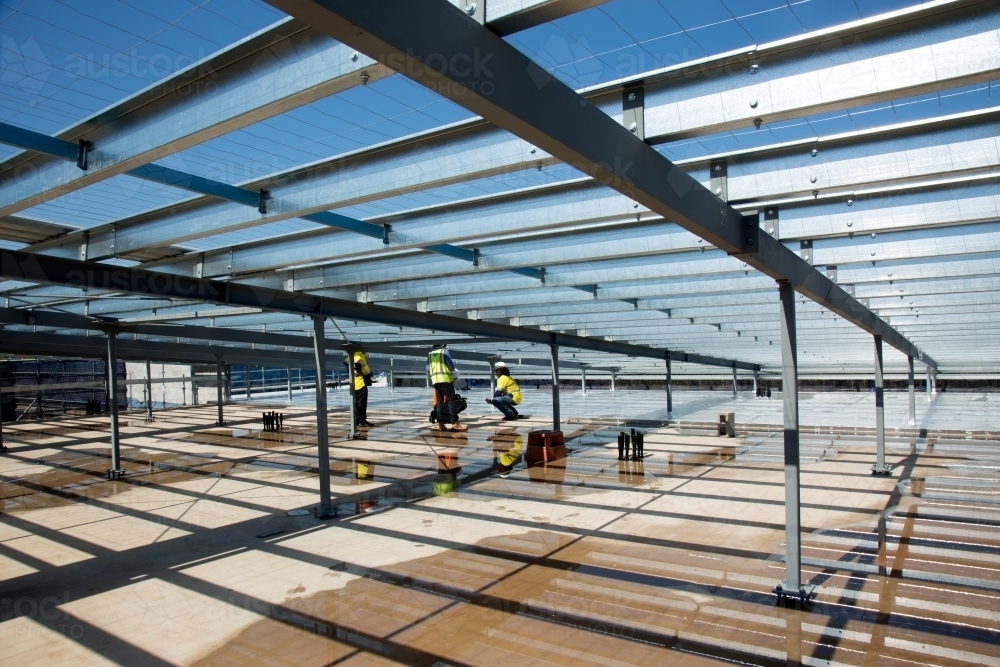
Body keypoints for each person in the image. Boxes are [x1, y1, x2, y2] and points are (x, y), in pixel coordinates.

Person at [428, 344, 466, 431]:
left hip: (435, 380)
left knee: (440, 401)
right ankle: (455, 423)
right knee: (451, 400)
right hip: (445, 379)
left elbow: (428, 367)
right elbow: (451, 366)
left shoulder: (430, 354)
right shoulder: (444, 352)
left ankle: (441, 424)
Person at [344, 350, 374, 428]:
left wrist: (353, 371)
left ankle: (356, 421)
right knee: (362, 403)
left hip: (354, 383)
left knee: (356, 403)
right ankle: (362, 421)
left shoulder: (352, 355)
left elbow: (346, 362)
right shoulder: (360, 355)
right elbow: (363, 368)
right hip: (361, 383)